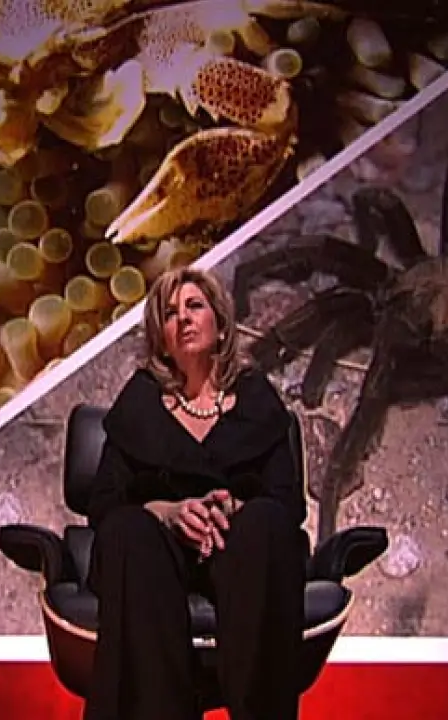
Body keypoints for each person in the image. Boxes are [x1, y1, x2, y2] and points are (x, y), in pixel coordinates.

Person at [82, 266, 309, 720]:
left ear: (220, 324)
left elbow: (288, 502)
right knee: (127, 529)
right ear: (161, 337)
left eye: (194, 306)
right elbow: (104, 502)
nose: (183, 318)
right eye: (170, 313)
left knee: (267, 521)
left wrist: (233, 508)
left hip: (239, 554)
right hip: (155, 562)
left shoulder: (256, 398)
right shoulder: (141, 402)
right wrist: (166, 513)